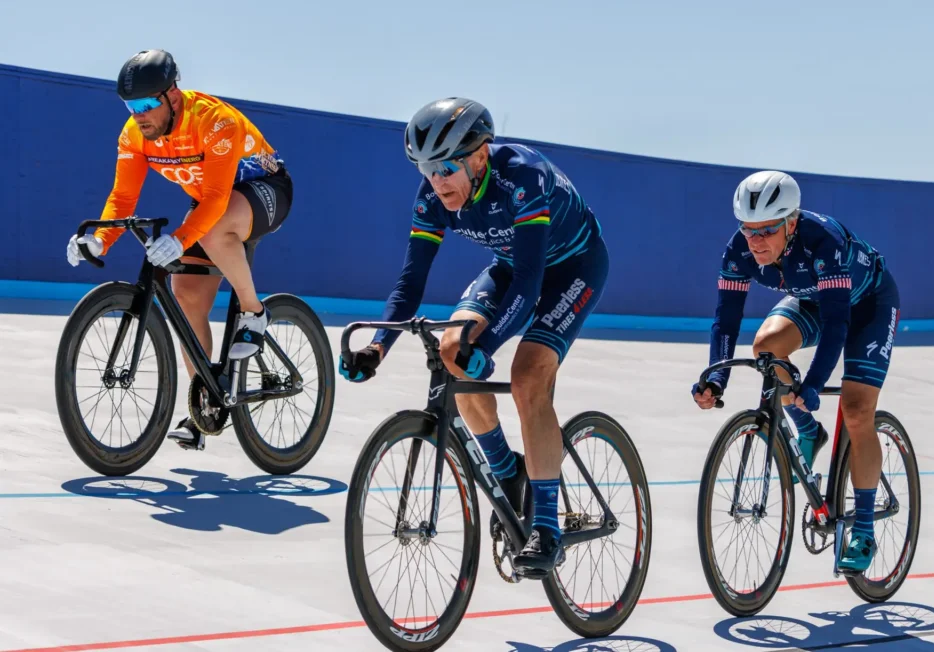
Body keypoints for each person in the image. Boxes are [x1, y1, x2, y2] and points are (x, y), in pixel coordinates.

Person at [340, 97, 609, 577]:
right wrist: (378, 345)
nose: (436, 180)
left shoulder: (521, 177)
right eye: (424, 168)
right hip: (511, 268)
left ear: (480, 156)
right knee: (451, 351)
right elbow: (410, 284)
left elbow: (530, 283)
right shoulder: (431, 198)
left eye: (445, 167)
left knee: (527, 376)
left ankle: (546, 525)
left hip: (572, 267)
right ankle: (508, 473)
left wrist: (486, 350)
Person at [65, 49, 293, 451]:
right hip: (212, 204)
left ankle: (255, 313)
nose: (139, 114)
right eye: (130, 105)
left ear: (173, 95)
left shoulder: (214, 120)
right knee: (186, 295)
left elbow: (219, 196)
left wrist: (181, 239)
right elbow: (122, 199)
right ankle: (203, 404)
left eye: (147, 103)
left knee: (210, 229)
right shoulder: (135, 134)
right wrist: (100, 238)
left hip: (263, 190)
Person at [692, 170, 900, 574]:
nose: (756, 241)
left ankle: (864, 530)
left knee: (857, 412)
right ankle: (807, 429)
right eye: (748, 230)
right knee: (766, 348)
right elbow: (726, 318)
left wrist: (815, 384)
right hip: (814, 299)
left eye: (766, 230)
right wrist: (716, 380)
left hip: (867, 304)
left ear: (791, 222)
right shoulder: (739, 251)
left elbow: (839, 324)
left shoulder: (824, 242)